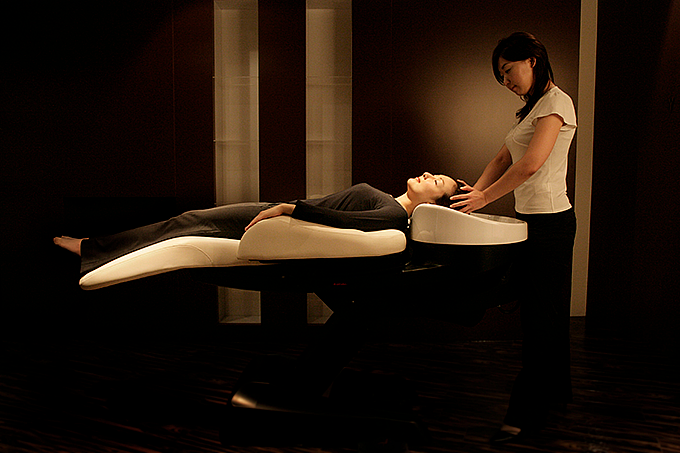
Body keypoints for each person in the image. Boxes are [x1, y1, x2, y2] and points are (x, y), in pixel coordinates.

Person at [450, 32, 577, 443]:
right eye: (501, 76)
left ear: (532, 60)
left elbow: (531, 164)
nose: (506, 81)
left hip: (551, 226)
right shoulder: (530, 110)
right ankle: (557, 395)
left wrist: (485, 197)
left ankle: (524, 417)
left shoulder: (557, 103)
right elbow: (503, 157)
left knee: (542, 321)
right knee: (546, 315)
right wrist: (473, 195)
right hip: (531, 222)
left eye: (508, 71)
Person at [55, 173, 458, 275]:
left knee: (187, 222)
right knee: (187, 224)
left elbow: (340, 221)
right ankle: (95, 247)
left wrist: (288, 210)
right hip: (276, 213)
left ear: (434, 203)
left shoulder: (393, 214)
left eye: (437, 182)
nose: (427, 175)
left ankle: (92, 248)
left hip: (274, 217)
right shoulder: (390, 204)